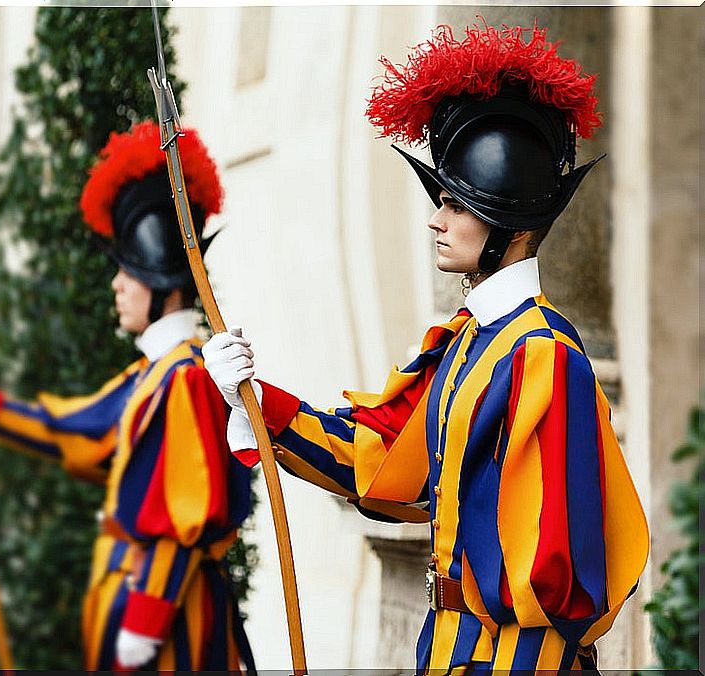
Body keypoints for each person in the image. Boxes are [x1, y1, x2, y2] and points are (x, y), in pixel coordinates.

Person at [202, 22, 649, 673]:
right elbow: (380, 464)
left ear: (509, 226)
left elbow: (554, 585)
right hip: (443, 650)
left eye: (455, 204)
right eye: (440, 200)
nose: (435, 220)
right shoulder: (464, 341)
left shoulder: (542, 354)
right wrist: (251, 399)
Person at [0, 121, 255, 672]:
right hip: (129, 596)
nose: (116, 286)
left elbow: (185, 520)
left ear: (166, 287)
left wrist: (145, 623)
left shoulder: (185, 378)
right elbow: (73, 430)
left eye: (131, 273)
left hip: (164, 615)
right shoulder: (152, 375)